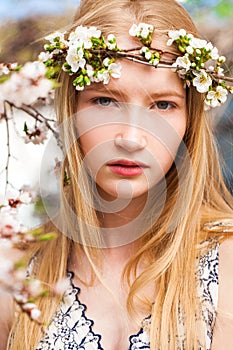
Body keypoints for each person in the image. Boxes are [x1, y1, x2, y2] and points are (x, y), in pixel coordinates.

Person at [2, 0, 233, 349]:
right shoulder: (16, 274)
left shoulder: (227, 266)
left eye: (163, 105)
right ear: (71, 108)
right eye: (106, 100)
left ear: (189, 122)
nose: (131, 138)